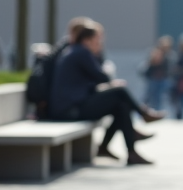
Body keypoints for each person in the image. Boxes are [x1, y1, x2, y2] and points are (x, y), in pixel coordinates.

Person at [48, 20, 164, 165]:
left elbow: (91, 82)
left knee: (121, 105)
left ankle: (119, 149)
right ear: (87, 40)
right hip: (70, 109)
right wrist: (106, 70)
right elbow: (102, 77)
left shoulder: (74, 51)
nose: (99, 43)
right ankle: (142, 116)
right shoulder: (81, 52)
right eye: (97, 39)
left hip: (71, 106)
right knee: (120, 91)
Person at [140, 36, 174, 111]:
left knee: (161, 97)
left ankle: (158, 111)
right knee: (149, 97)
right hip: (153, 78)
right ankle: (145, 111)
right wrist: (154, 60)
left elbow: (170, 67)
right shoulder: (154, 52)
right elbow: (148, 65)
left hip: (163, 78)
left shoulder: (169, 55)